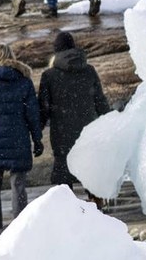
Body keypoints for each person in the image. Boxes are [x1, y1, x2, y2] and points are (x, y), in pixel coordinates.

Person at [0, 44, 42, 236]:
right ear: (12, 56)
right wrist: (37, 139)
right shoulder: (24, 82)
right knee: (18, 185)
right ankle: (20, 227)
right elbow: (33, 115)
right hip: (18, 139)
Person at [39, 31, 111, 191]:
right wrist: (110, 121)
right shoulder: (89, 70)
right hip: (88, 130)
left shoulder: (49, 75)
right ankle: (98, 210)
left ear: (56, 50)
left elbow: (43, 108)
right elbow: (100, 100)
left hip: (62, 132)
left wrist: (36, 132)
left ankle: (68, 212)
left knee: (64, 176)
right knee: (90, 172)